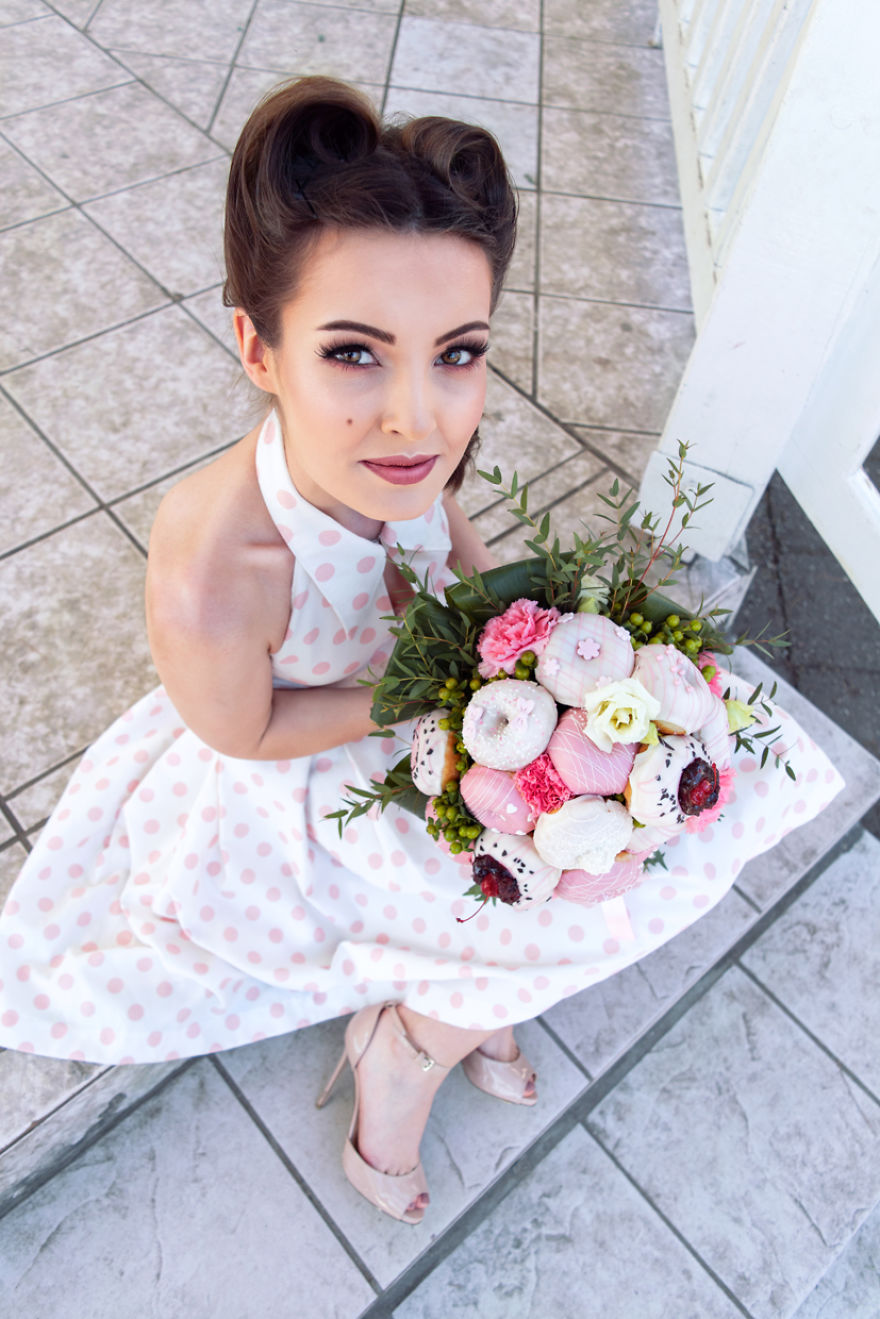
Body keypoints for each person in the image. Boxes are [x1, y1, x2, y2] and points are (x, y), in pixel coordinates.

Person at [0, 76, 840, 1225]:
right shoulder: (215, 566)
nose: (419, 419)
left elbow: (450, 536)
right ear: (258, 347)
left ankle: (432, 1018)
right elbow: (238, 729)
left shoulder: (415, 453)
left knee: (648, 834)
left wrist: (523, 647)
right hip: (299, 775)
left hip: (441, 715)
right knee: (550, 901)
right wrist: (424, 692)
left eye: (456, 353)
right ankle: (402, 1057)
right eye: (353, 354)